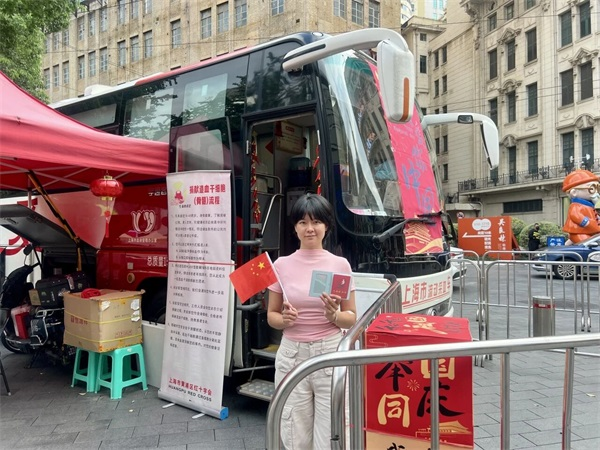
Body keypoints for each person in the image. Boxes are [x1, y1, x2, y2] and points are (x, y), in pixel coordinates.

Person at [267, 193, 357, 450]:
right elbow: (272, 315)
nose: (310, 228)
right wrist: (284, 319)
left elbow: (351, 317)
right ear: (295, 227)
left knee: (330, 433)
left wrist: (334, 316)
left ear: (326, 226)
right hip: (291, 356)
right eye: (303, 222)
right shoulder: (281, 265)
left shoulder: (340, 264)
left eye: (316, 221)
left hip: (329, 352)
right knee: (294, 435)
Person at [562, 169, 600, 244]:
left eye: (598, 188)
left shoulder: (589, 205)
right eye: (592, 188)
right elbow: (575, 215)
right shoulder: (576, 206)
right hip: (578, 232)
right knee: (587, 244)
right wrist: (586, 222)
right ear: (574, 192)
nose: (596, 192)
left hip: (589, 231)